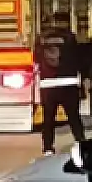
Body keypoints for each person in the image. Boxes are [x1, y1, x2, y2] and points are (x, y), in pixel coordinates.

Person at [35, 11, 87, 155]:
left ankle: (48, 148)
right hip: (68, 86)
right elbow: (78, 59)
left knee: (48, 119)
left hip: (48, 87)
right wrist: (83, 81)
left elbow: (36, 58)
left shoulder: (41, 38)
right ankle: (81, 143)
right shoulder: (69, 37)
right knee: (74, 117)